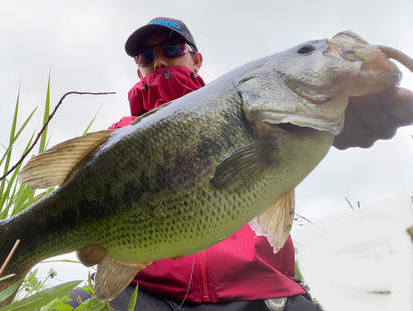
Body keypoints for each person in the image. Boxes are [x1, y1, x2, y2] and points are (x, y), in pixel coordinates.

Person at [68, 17, 413, 310]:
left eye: (172, 50)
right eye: (146, 55)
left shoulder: (254, 99)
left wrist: (337, 107)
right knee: (74, 303)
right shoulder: (115, 137)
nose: (158, 62)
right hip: (146, 295)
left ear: (196, 59)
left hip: (262, 293)